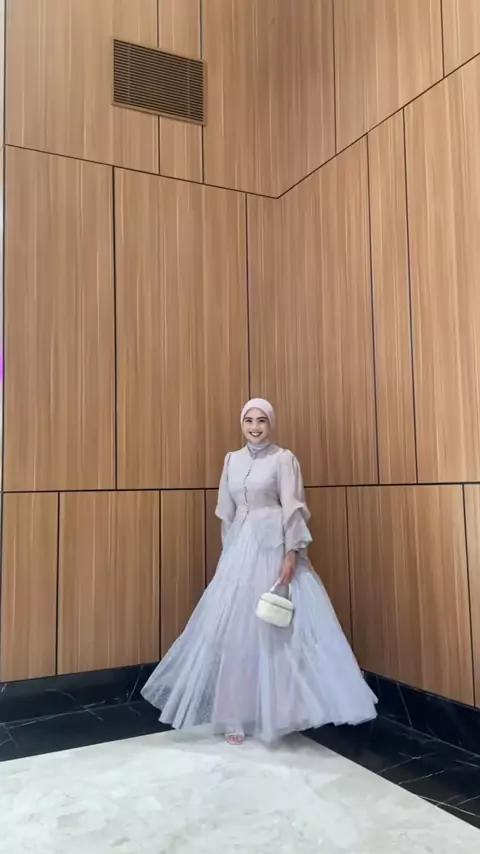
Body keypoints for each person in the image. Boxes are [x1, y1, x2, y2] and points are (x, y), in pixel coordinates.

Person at [142, 399, 377, 744]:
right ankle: (234, 715)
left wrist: (292, 553)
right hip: (240, 552)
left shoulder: (284, 459)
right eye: (249, 420)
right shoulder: (231, 460)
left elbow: (293, 508)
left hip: (273, 549)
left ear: (271, 424)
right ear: (242, 423)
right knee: (235, 635)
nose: (255, 427)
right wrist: (229, 554)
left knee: (276, 632)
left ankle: (280, 712)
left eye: (262, 420)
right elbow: (226, 511)